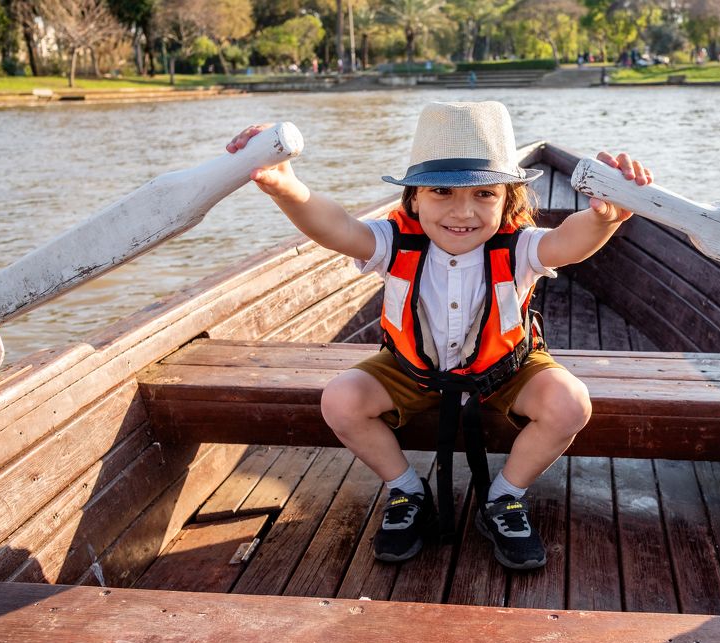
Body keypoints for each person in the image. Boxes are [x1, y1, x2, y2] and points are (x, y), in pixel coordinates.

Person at [226, 102, 653, 570]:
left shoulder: (521, 246)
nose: (463, 211)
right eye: (442, 192)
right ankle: (407, 490)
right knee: (340, 399)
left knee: (571, 403)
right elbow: (337, 228)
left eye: (485, 195)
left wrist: (604, 219)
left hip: (505, 371)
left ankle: (503, 498)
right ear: (413, 198)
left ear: (508, 199)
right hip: (411, 369)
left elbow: (569, 242)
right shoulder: (394, 241)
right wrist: (286, 187)